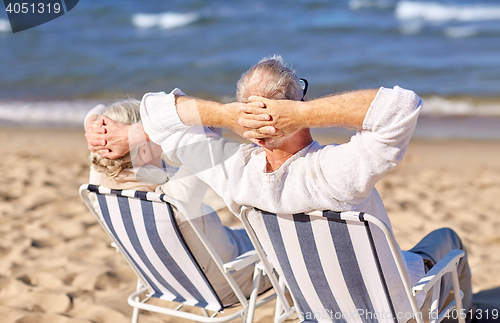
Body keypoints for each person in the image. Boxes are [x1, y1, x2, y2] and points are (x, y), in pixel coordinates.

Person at [87, 56, 473, 322]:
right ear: (298, 102)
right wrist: (303, 114)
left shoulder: (233, 174)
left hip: (317, 307)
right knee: (446, 241)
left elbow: (160, 118)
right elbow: (400, 107)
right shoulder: (335, 173)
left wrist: (226, 116)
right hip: (394, 309)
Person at [84, 99, 271, 306]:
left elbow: (95, 111)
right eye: (153, 137)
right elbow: (210, 128)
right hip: (234, 280)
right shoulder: (173, 200)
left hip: (175, 283)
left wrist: (102, 129)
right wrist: (144, 131)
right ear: (144, 150)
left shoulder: (98, 190)